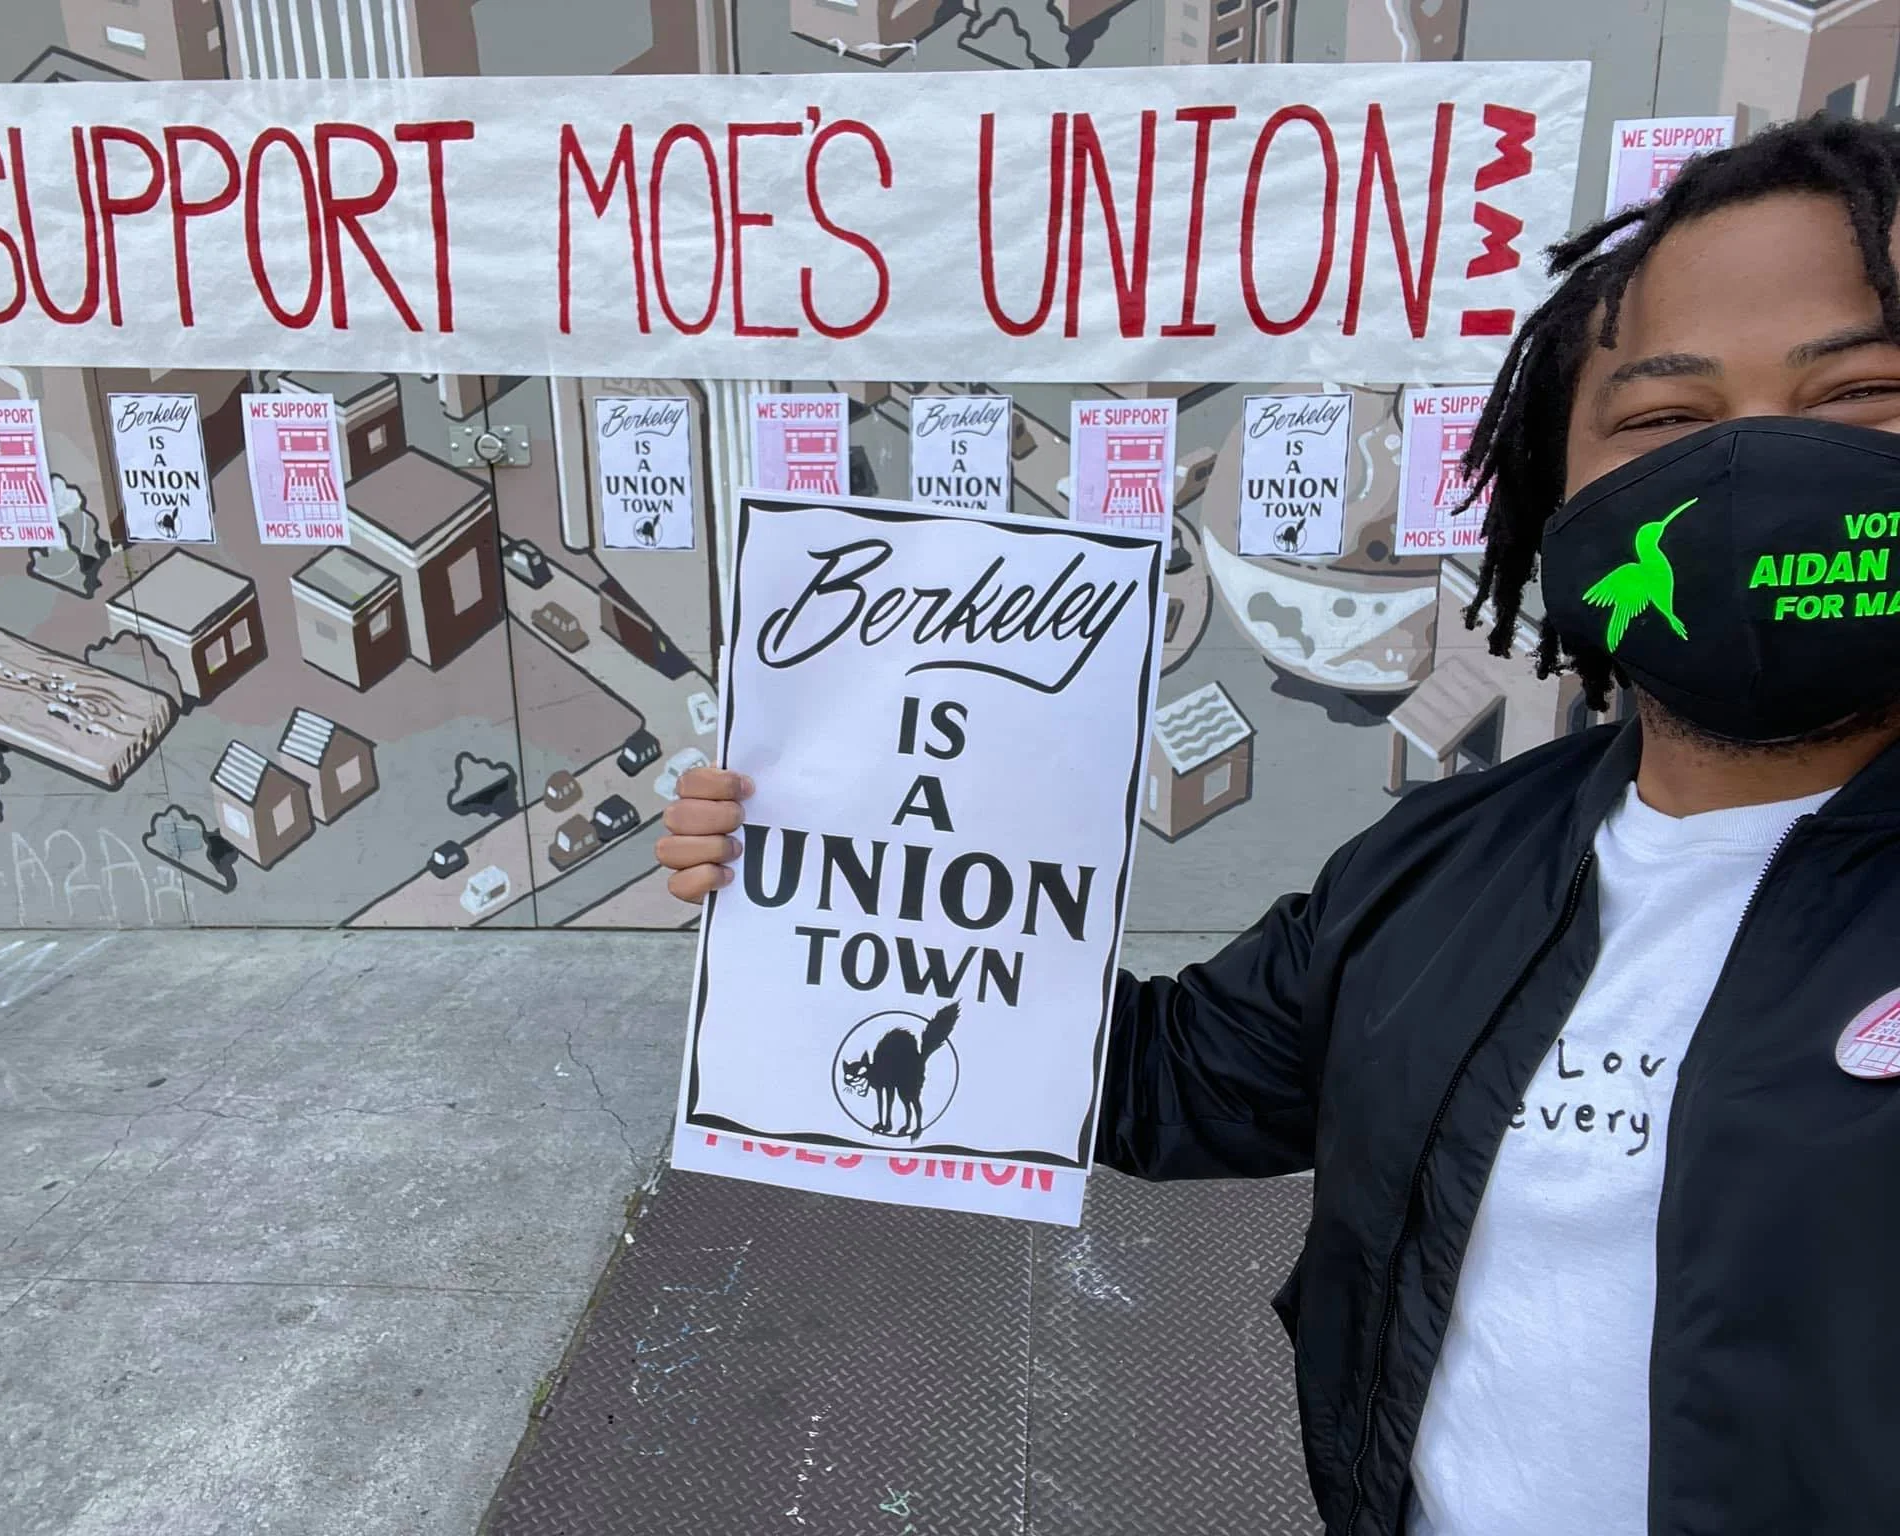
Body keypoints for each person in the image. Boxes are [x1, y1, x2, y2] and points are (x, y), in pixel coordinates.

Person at [655, 114, 1900, 1536]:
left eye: (1860, 392)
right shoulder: (1441, 867)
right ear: (1557, 490)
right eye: (1667, 419)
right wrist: (831, 893)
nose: (1751, 461)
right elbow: (1167, 1081)